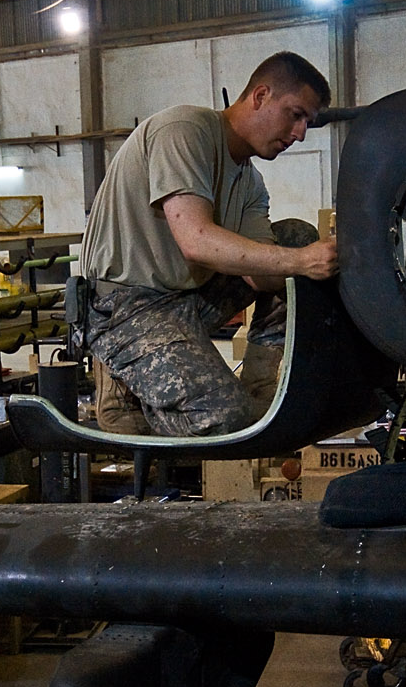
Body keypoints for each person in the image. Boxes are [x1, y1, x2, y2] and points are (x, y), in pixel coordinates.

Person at [81, 51, 340, 437]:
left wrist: (328, 261)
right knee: (224, 420)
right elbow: (196, 241)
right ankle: (125, 394)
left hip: (189, 299)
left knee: (295, 237)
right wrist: (301, 262)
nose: (300, 133)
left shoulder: (250, 181)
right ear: (260, 96)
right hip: (124, 307)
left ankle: (263, 393)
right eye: (296, 114)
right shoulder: (185, 131)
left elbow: (259, 276)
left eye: (308, 122)